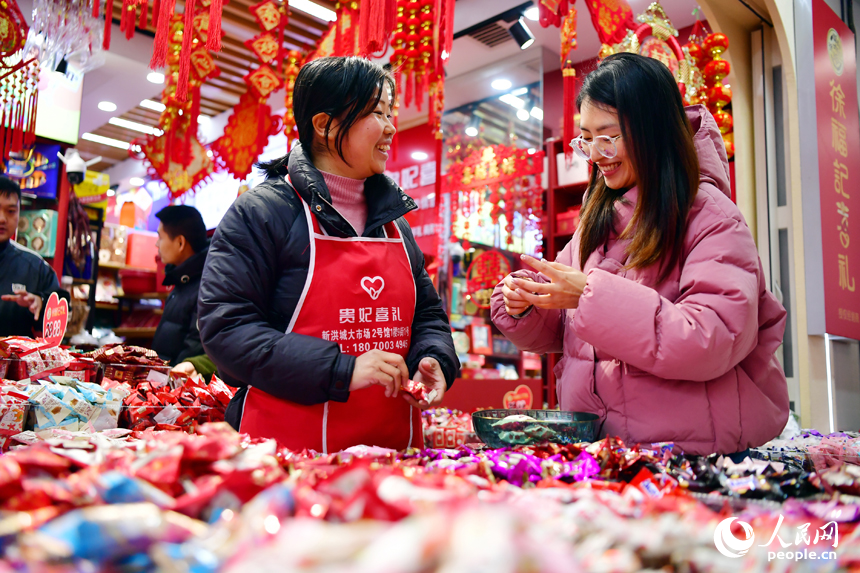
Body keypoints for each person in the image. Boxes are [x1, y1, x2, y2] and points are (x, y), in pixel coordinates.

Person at [491, 53, 789, 457]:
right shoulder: (596, 219)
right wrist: (526, 304)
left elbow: (713, 338)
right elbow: (565, 331)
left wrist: (590, 296)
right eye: (586, 139)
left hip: (690, 456)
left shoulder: (709, 215)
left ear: (653, 130)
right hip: (603, 455)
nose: (596, 154)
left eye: (609, 136)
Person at [198, 56, 459, 453]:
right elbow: (227, 329)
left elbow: (426, 315)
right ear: (325, 124)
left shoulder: (395, 223)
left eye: (391, 113)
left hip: (392, 454)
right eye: (377, 113)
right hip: (283, 457)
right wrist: (343, 369)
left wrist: (434, 358)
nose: (391, 128)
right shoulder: (263, 212)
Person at [0, 176, 69, 336]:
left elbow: (62, 310)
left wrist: (41, 302)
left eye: (10, 211)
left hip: (14, 360)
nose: (2, 219)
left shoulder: (35, 266)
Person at [151, 205, 209, 366]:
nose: (157, 244)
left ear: (180, 242)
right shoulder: (182, 281)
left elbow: (193, 349)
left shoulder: (205, 286)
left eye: (160, 237)